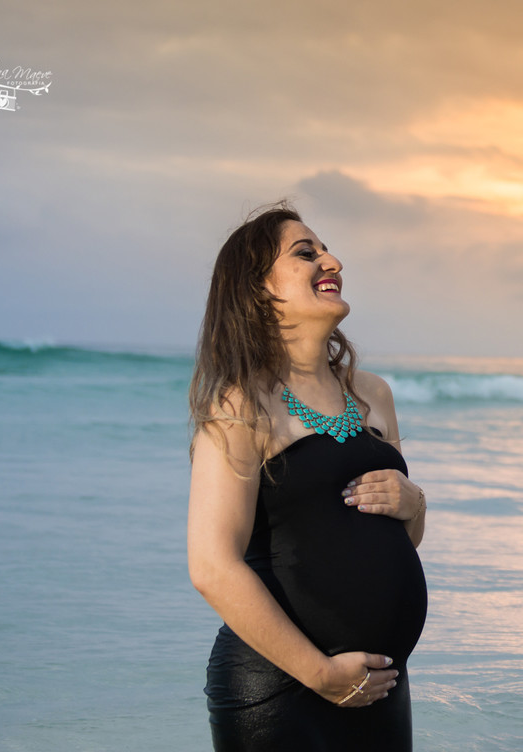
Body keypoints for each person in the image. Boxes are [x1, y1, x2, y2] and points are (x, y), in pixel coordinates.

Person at [187, 203, 428, 751]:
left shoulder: (374, 395)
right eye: (306, 253)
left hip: (381, 683)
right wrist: (320, 674)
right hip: (283, 687)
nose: (331, 260)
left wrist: (414, 506)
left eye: (325, 249)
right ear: (257, 290)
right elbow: (211, 566)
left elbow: (400, 540)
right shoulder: (241, 404)